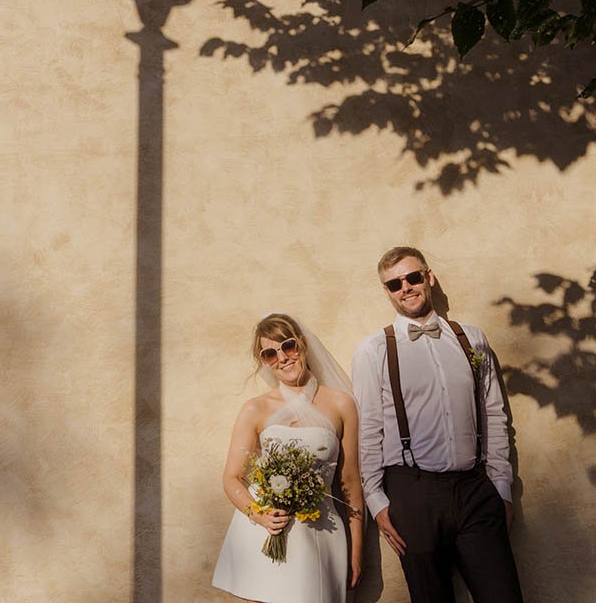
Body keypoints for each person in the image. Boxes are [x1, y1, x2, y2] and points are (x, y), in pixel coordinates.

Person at [351, 247, 523, 602]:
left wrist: (502, 488)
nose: (406, 288)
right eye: (395, 283)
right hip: (412, 493)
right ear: (386, 291)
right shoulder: (374, 350)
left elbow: (494, 414)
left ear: (428, 277)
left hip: (475, 488)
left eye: (413, 277)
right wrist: (376, 501)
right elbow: (368, 430)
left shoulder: (471, 338)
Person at [213, 313, 364, 603]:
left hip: (319, 533)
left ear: (303, 345)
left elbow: (350, 481)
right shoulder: (254, 409)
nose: (282, 357)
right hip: (263, 535)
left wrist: (356, 549)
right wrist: (259, 516)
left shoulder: (341, 403)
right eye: (270, 354)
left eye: (288, 346)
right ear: (264, 362)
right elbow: (231, 477)